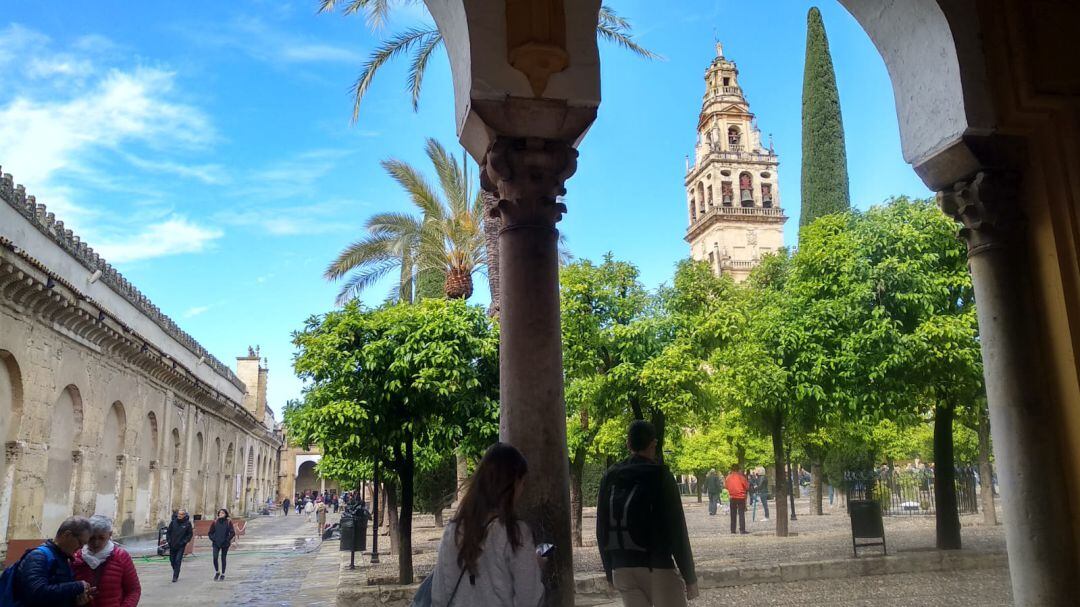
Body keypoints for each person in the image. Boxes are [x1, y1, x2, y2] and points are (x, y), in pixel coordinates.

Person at [430, 443, 543, 607]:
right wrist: (534, 567)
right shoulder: (514, 534)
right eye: (522, 483)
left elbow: (439, 596)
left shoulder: (453, 531)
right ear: (512, 483)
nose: (522, 490)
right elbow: (530, 599)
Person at [598, 421, 697, 606]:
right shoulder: (661, 475)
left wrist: (608, 569)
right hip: (657, 565)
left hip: (622, 567)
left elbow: (601, 526)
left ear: (628, 444)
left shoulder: (610, 476)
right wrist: (689, 577)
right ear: (653, 444)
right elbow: (677, 529)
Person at [9, 515, 93, 606]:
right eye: (80, 542)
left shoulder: (64, 559)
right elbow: (36, 592)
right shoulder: (38, 556)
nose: (80, 548)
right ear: (67, 535)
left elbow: (56, 597)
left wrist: (75, 602)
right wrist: (78, 586)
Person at [72, 515, 141, 607]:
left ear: (110, 535)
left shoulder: (121, 557)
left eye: (101, 538)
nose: (96, 543)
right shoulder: (76, 558)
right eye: (92, 538)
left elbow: (133, 590)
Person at [165, 509, 193, 583]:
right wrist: (169, 540)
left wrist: (185, 541)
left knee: (178, 560)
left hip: (181, 545)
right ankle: (176, 570)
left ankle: (175, 576)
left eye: (181, 514)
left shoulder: (187, 524)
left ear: (184, 515)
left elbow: (189, 534)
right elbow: (168, 532)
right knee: (172, 560)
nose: (179, 516)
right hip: (172, 544)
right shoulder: (173, 522)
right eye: (178, 514)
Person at [208, 509, 236, 581]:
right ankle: (217, 571)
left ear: (225, 514)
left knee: (223, 558)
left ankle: (223, 573)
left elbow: (232, 532)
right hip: (216, 543)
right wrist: (213, 539)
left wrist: (227, 539)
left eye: (222, 513)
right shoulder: (215, 522)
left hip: (225, 543)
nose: (221, 514)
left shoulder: (228, 522)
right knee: (215, 557)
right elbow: (210, 533)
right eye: (220, 513)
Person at [725, 464, 749, 535]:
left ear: (731, 469)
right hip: (741, 497)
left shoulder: (728, 478)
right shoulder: (741, 477)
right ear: (738, 469)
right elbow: (747, 486)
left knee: (733, 514)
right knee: (741, 513)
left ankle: (733, 530)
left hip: (732, 497)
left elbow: (726, 486)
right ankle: (742, 529)